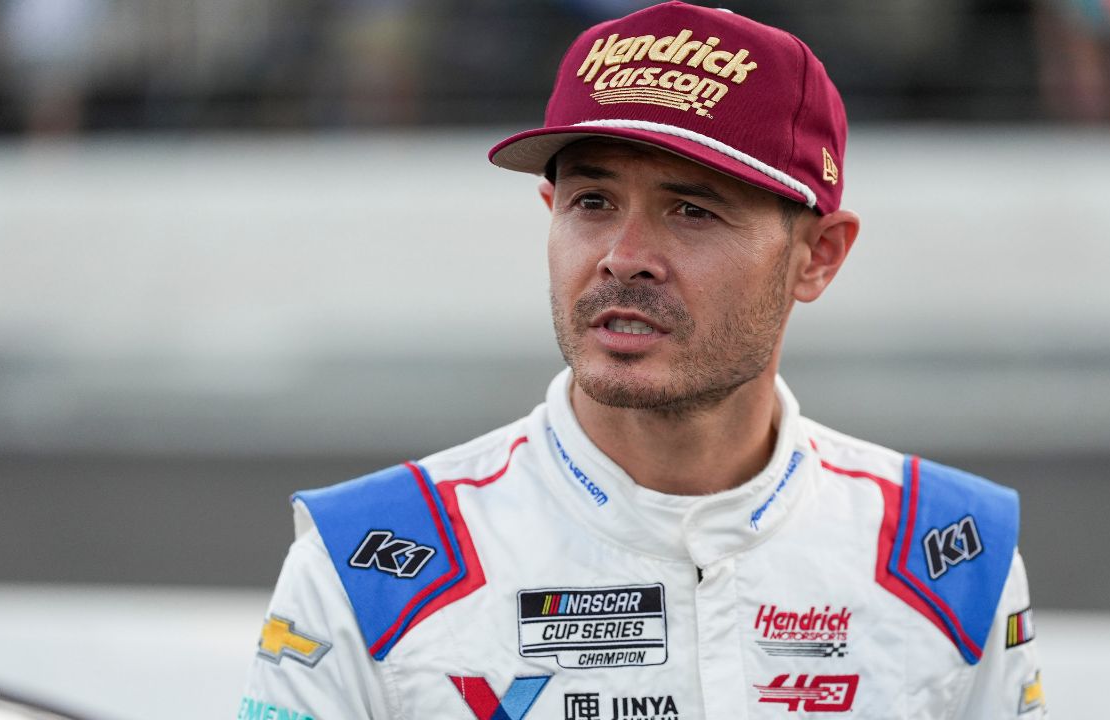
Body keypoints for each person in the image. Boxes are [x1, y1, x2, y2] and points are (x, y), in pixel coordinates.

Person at [239, 3, 1046, 718]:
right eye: (593, 202)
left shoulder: (949, 557)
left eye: (692, 210)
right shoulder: (370, 565)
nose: (625, 258)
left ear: (818, 258)